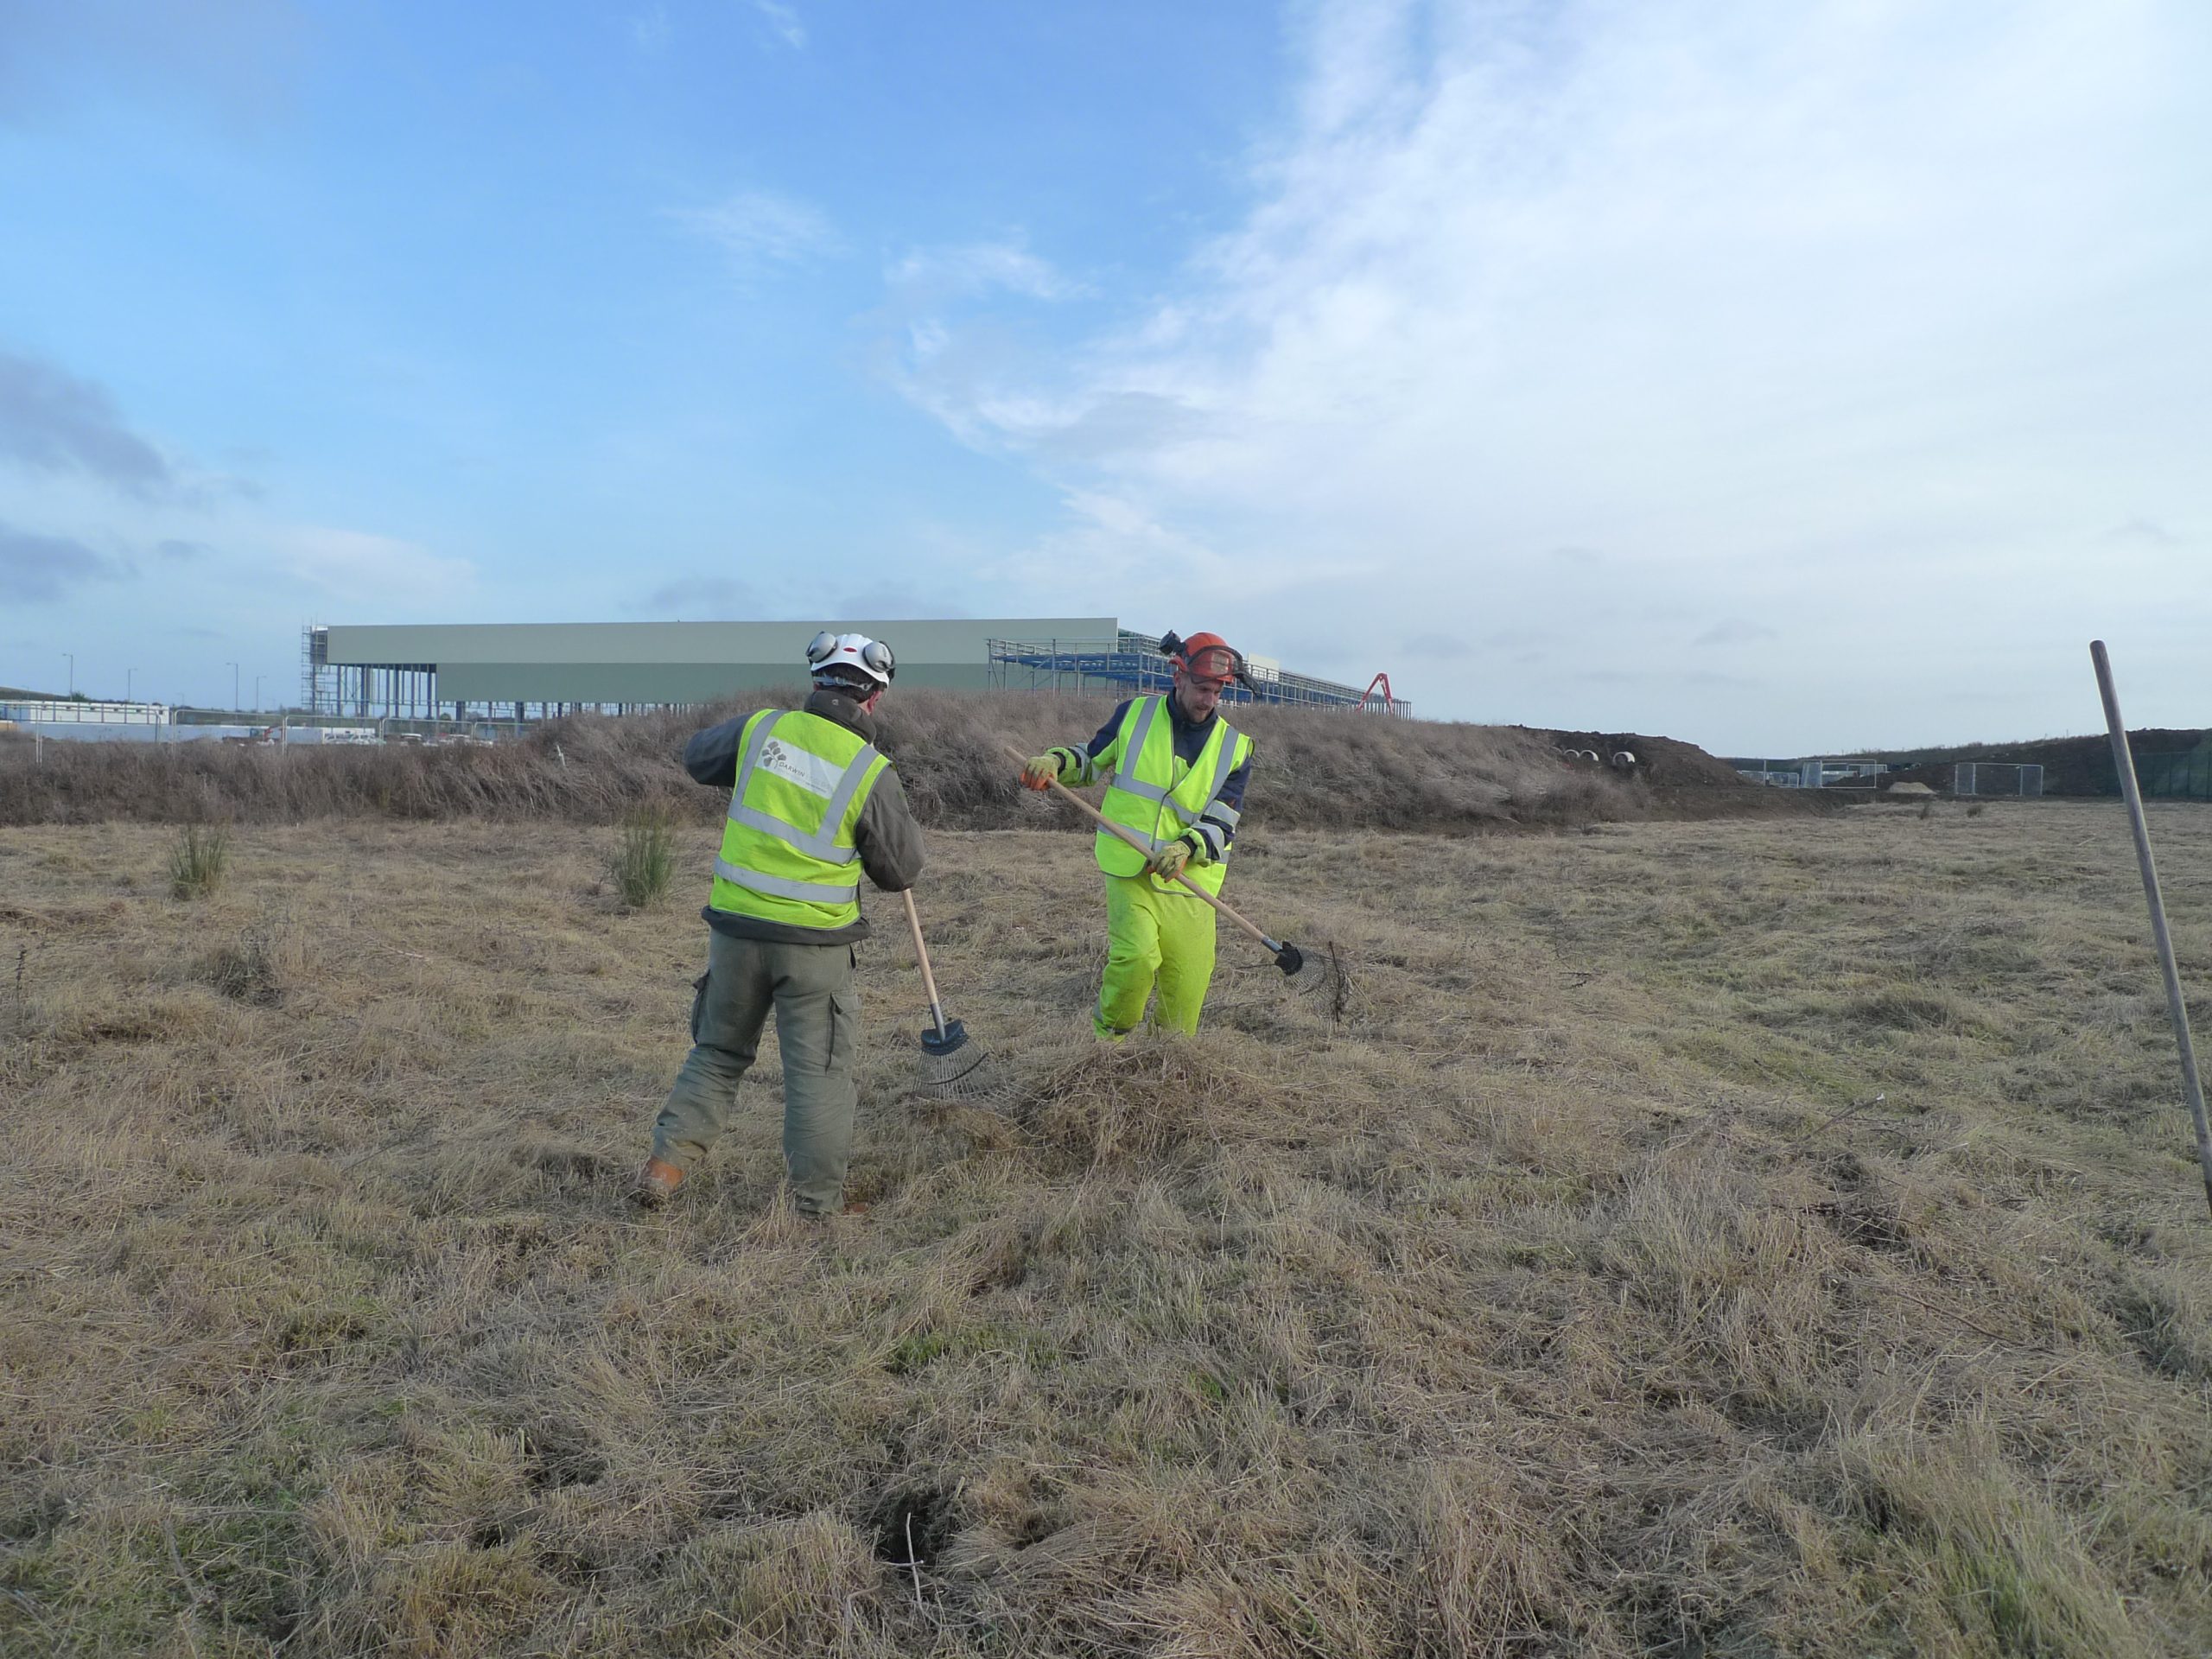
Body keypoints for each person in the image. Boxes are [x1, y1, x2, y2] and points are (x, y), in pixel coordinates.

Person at [634, 632, 925, 1218]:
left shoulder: (760, 730)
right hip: (813, 950)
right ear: (874, 699)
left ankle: (663, 1171)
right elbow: (900, 871)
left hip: (736, 934)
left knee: (716, 1052)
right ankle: (816, 1208)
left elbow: (697, 759)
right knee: (818, 1077)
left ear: (817, 682)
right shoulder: (870, 771)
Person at [1020, 631, 1256, 1039]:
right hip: (1130, 867)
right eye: (1202, 688)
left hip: (1191, 880)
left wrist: (1188, 845)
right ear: (1178, 677)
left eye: (1217, 691)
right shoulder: (1133, 715)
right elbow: (1090, 760)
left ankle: (1165, 1061)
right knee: (1136, 959)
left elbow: (1223, 816)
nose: (1208, 700)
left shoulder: (1237, 747)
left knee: (1187, 982)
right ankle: (1107, 1044)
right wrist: (1055, 762)